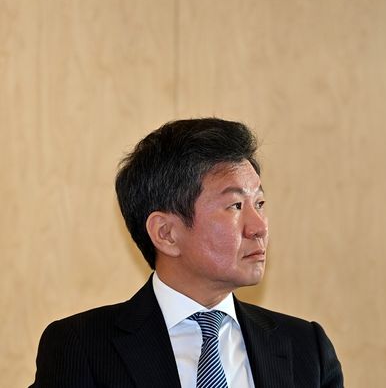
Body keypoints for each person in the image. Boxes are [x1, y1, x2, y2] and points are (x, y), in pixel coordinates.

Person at [31, 118, 344, 388]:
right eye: (235, 206)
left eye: (259, 203)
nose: (259, 227)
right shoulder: (82, 347)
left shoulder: (306, 346)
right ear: (166, 234)